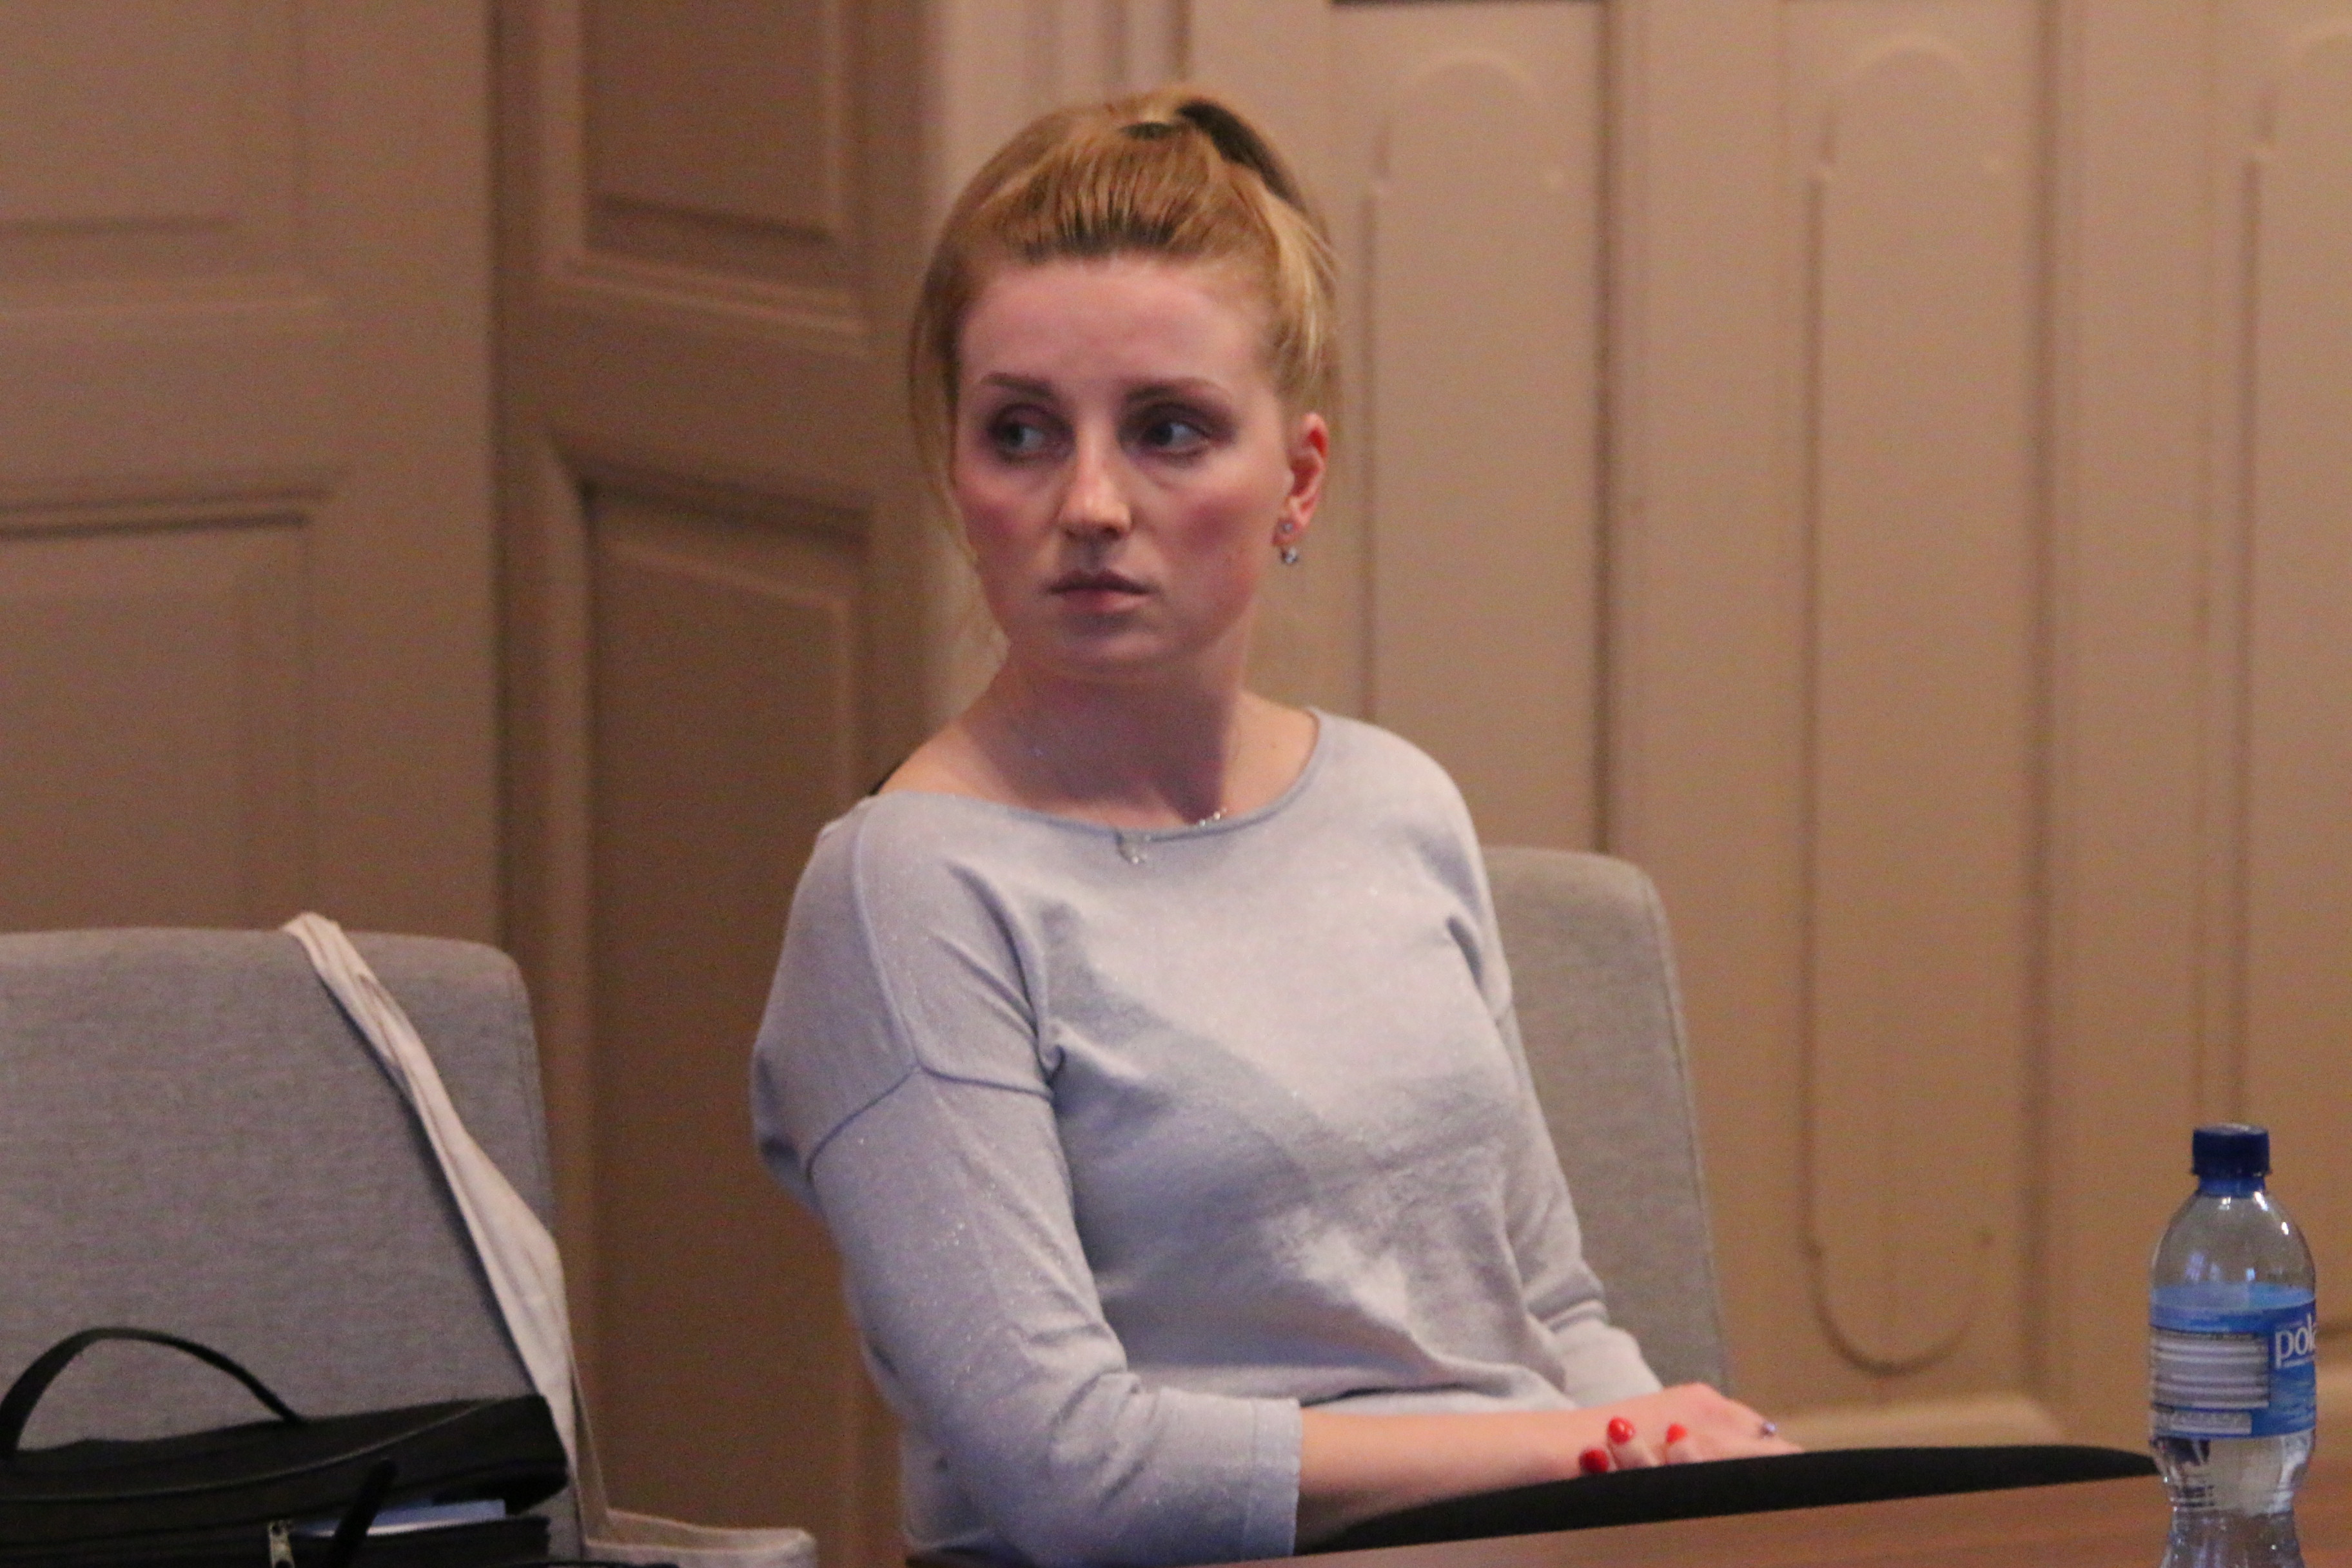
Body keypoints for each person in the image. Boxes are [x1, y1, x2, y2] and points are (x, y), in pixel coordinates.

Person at [750, 86, 1796, 1568]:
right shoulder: (905, 887)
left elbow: (1552, 1313)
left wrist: (1684, 1477)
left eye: (1168, 430)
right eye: (1022, 432)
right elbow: (1073, 1474)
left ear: (1296, 478)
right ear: (958, 475)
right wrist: (1573, 1450)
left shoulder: (1394, 801)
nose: (1090, 501)